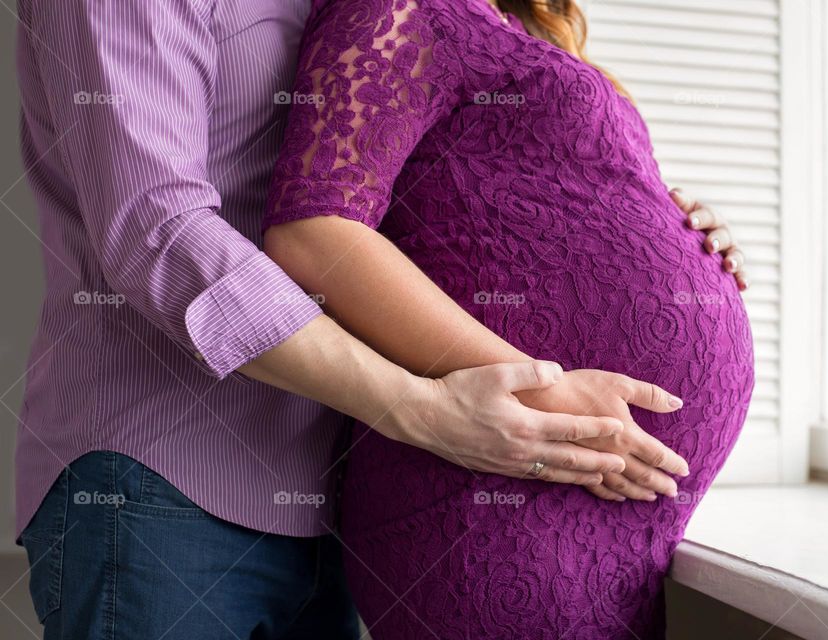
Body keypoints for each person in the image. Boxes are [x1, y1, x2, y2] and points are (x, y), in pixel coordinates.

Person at [13, 1, 691, 638]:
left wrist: (661, 229)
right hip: (160, 485)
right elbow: (156, 231)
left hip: (336, 494)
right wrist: (420, 408)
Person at [262, 0, 755, 637]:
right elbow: (314, 235)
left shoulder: (529, 28)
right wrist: (546, 393)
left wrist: (681, 221)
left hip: (616, 509)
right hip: (494, 486)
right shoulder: (397, 7)